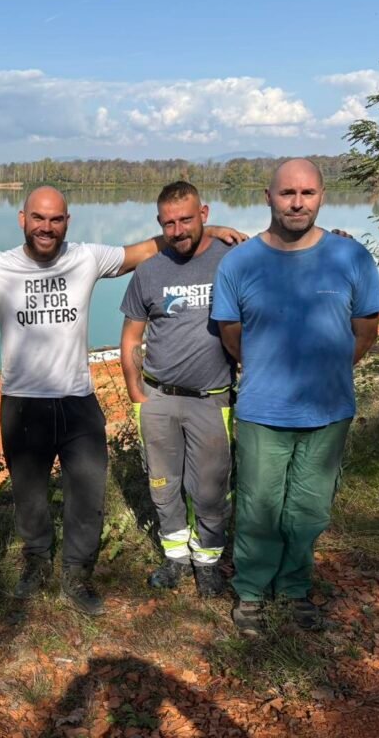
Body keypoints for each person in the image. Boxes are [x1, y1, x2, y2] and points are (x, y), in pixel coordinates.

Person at [0, 186, 246, 615]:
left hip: (77, 400)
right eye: (38, 218)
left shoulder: (85, 258)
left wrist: (206, 229)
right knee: (29, 495)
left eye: (56, 219)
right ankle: (36, 562)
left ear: (68, 221)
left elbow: (145, 249)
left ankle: (77, 573)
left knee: (87, 494)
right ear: (22, 219)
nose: (46, 227)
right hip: (22, 401)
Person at [211, 158, 379, 635]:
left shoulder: (350, 258)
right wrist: (271, 372)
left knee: (309, 508)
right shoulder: (240, 263)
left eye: (307, 193)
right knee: (258, 505)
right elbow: (231, 333)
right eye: (287, 193)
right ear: (268, 197)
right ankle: (251, 592)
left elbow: (365, 330)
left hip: (328, 410)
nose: (297, 202)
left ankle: (293, 587)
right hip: (263, 411)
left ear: (322, 196)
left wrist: (325, 371)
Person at [119, 181, 236, 599]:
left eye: (186, 219)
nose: (178, 230)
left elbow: (283, 251)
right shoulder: (150, 270)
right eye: (169, 223)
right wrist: (136, 392)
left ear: (204, 213)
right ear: (159, 224)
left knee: (209, 489)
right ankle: (175, 558)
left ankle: (206, 563)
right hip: (158, 397)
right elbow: (132, 334)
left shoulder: (232, 258)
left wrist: (336, 241)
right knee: (163, 486)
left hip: (211, 397)